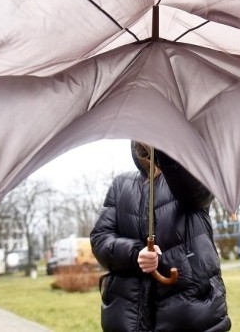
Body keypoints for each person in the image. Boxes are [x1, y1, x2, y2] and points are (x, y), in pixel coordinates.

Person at [90, 141, 231, 332]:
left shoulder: (196, 175)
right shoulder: (121, 185)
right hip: (128, 318)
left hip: (190, 315)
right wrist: (134, 254)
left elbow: (197, 194)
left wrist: (165, 150)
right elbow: (100, 238)